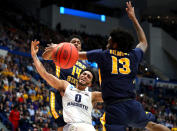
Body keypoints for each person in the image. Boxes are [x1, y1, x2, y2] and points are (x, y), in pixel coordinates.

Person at [78, 1, 170, 131]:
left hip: (115, 108)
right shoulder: (133, 55)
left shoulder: (103, 54)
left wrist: (56, 50)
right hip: (132, 105)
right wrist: (133, 19)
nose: (107, 41)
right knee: (152, 126)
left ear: (115, 44)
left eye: (109, 39)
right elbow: (144, 42)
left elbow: (76, 55)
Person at [31, 40, 103, 131]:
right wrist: (34, 56)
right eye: (83, 74)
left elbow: (113, 95)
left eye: (88, 76)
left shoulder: (92, 95)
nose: (85, 76)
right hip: (70, 126)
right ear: (79, 75)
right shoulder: (67, 87)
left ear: (91, 84)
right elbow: (45, 74)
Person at [42, 35, 89, 131]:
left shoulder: (85, 63)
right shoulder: (63, 53)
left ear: (80, 47)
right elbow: (45, 57)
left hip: (73, 98)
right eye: (73, 42)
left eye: (78, 42)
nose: (76, 43)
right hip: (59, 92)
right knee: (62, 124)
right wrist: (56, 48)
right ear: (68, 44)